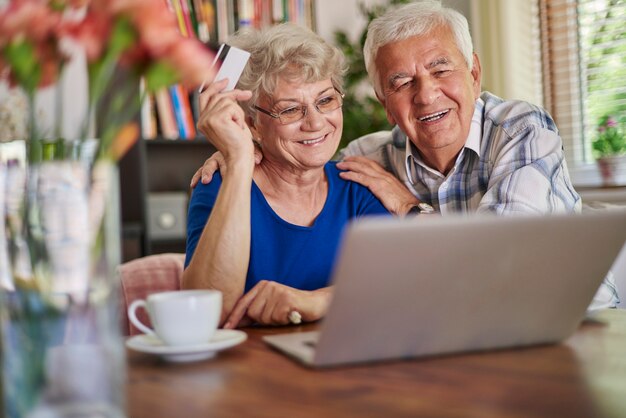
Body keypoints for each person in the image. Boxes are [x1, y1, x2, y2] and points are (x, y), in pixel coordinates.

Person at [191, 1, 618, 307]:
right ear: (383, 102)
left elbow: (475, 272)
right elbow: (202, 308)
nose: (427, 95)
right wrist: (238, 155)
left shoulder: (520, 130)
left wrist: (409, 207)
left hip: (577, 324)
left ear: (474, 73)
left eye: (441, 69)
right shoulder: (366, 160)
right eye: (402, 82)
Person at [182, 23, 389, 329]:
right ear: (252, 125)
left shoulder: (358, 186)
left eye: (326, 100)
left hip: (343, 365)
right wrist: (238, 160)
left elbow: (397, 288)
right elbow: (204, 315)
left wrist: (318, 300)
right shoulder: (219, 186)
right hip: (250, 371)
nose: (315, 123)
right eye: (290, 110)